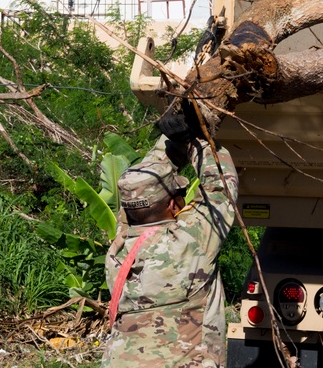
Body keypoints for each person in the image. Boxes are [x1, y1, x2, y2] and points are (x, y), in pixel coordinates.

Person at [102, 134, 238, 368]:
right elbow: (220, 186)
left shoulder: (120, 246)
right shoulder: (189, 242)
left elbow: (140, 186)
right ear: (172, 205)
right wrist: (198, 138)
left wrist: (171, 137)